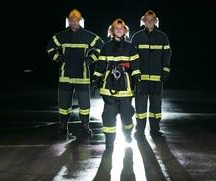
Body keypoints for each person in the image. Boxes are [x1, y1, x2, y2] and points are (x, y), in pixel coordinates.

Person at [46, 9, 104, 139]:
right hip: (65, 76)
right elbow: (50, 47)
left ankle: (85, 126)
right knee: (63, 105)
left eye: (76, 20)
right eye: (71, 20)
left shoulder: (88, 36)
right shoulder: (61, 36)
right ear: (68, 21)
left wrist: (90, 59)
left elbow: (100, 46)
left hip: (82, 77)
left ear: (80, 21)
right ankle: (63, 125)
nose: (74, 22)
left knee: (84, 105)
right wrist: (59, 58)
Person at [92, 19, 141, 148]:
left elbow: (135, 66)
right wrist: (95, 80)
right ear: (112, 31)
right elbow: (101, 65)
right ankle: (109, 142)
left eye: (121, 28)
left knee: (126, 115)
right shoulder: (106, 47)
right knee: (108, 116)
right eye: (116, 28)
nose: (119, 30)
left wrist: (138, 80)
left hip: (126, 87)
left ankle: (127, 133)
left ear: (125, 30)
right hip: (109, 88)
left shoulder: (131, 47)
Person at [131, 10, 172, 137]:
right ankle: (140, 130)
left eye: (152, 19)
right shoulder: (137, 37)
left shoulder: (163, 37)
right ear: (143, 21)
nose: (149, 22)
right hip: (141, 79)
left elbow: (167, 54)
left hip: (156, 78)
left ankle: (155, 130)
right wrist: (135, 73)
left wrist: (165, 70)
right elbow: (132, 57)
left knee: (156, 107)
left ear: (155, 21)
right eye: (147, 20)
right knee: (140, 107)